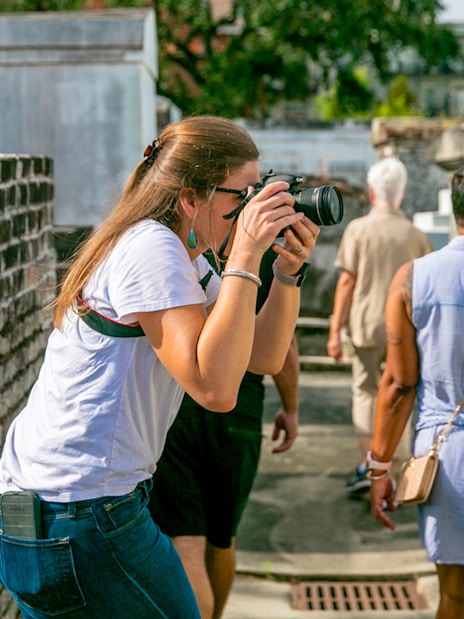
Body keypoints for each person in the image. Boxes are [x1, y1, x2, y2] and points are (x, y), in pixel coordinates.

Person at [0, 115, 320, 619]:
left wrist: (285, 273)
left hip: (49, 511)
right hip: (80, 517)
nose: (251, 211)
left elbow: (261, 355)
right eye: (243, 197)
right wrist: (246, 255)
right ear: (191, 198)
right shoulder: (152, 248)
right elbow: (215, 390)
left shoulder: (178, 251)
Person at [149, 245, 301, 619]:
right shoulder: (266, 248)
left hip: (182, 405)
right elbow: (284, 345)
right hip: (240, 411)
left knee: (186, 540)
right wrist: (291, 407)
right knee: (222, 537)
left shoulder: (182, 244)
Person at [369, 167, 464, 619]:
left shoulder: (414, 279)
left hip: (447, 455)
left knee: (454, 595)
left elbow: (399, 382)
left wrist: (379, 467)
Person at [326, 157, 434, 495]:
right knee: (401, 390)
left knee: (365, 392)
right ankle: (397, 467)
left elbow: (346, 283)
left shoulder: (358, 229)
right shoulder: (417, 236)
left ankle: (368, 466)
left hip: (364, 326)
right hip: (405, 330)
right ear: (401, 194)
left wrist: (335, 330)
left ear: (372, 191)